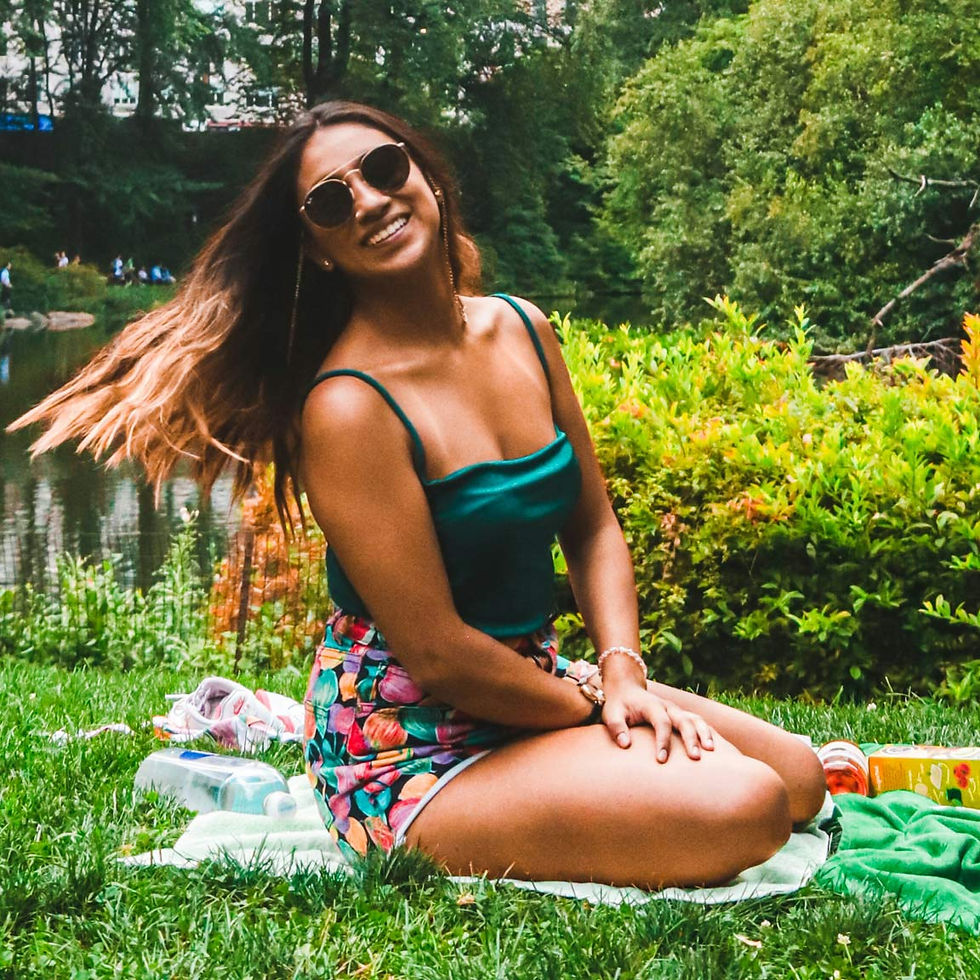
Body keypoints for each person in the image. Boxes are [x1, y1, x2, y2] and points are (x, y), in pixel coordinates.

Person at [8, 101, 825, 888]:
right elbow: (438, 653)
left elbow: (593, 525)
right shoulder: (348, 407)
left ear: (427, 177)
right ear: (318, 248)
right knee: (746, 805)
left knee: (797, 778)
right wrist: (593, 710)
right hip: (407, 746)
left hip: (529, 679)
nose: (367, 199)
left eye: (384, 168)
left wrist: (623, 676)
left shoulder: (523, 329)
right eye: (332, 202)